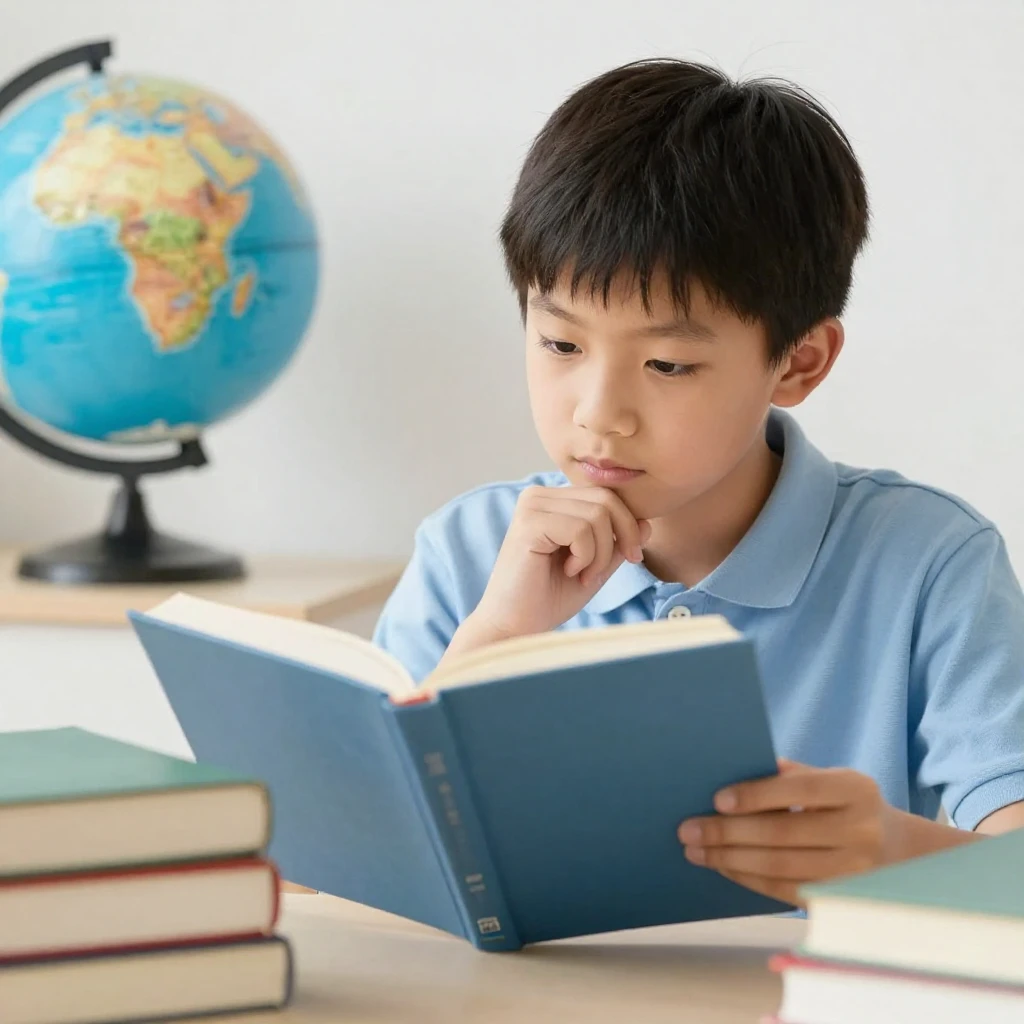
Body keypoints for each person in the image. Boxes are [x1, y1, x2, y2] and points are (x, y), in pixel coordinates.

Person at [373, 59, 1024, 906]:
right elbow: (368, 856)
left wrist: (900, 853)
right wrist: (499, 634)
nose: (600, 415)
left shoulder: (929, 562)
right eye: (561, 345)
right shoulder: (468, 553)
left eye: (668, 364)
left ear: (799, 362)